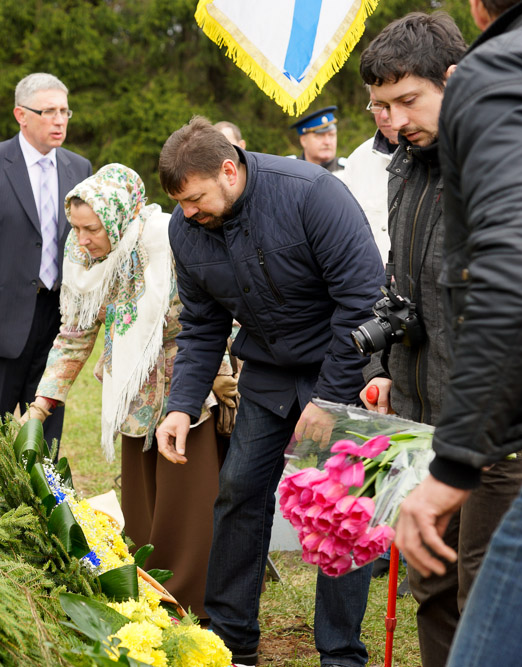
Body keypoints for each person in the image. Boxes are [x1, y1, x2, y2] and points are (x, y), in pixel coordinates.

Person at [155, 117, 383, 667]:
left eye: (196, 198)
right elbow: (203, 326)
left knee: (341, 509)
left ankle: (341, 653)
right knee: (237, 491)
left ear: (228, 170)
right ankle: (231, 642)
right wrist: (182, 405)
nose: (187, 213)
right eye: (180, 203)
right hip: (267, 376)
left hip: (344, 368)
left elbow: (362, 301)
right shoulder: (186, 229)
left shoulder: (314, 194)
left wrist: (330, 403)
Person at [359, 14, 522, 666]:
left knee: (489, 595)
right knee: (430, 583)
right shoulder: (402, 169)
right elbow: (400, 281)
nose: (395, 119)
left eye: (409, 100)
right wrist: (383, 364)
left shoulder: (507, 159)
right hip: (417, 417)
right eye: (381, 105)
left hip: (496, 430)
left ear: (455, 81)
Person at [25, 163, 226, 623]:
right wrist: (43, 402)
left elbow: (218, 311)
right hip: (132, 387)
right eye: (74, 228)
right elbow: (73, 335)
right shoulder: (84, 262)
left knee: (186, 495)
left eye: (90, 228)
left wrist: (223, 373)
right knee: (142, 495)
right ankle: (147, 591)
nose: (81, 240)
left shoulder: (168, 241)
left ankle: (187, 601)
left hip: (188, 380)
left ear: (116, 219)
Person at [0, 73, 92, 473]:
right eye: (49, 112)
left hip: (59, 322)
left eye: (65, 111)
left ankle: (41, 507)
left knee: (47, 427)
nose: (59, 120)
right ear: (21, 115)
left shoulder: (80, 168)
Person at [334, 90, 399, 262]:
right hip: (371, 282)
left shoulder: (435, 154)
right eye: (377, 105)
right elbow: (344, 230)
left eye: (390, 105)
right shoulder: (358, 158)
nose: (384, 115)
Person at [289, 106, 346, 172]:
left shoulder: (348, 170)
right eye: (320, 136)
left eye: (331, 135)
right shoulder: (289, 171)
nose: (327, 142)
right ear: (303, 140)